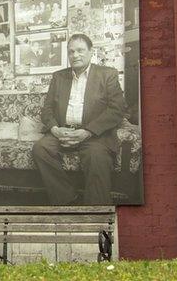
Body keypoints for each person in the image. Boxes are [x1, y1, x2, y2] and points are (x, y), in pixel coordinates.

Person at [32, 33, 126, 205]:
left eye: (80, 50)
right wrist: (55, 130)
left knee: (96, 156)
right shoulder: (59, 77)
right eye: (71, 52)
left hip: (94, 134)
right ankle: (68, 199)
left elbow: (117, 109)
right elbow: (47, 110)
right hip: (63, 132)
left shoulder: (107, 74)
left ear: (91, 52)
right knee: (40, 148)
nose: (75, 55)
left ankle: (96, 212)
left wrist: (88, 132)